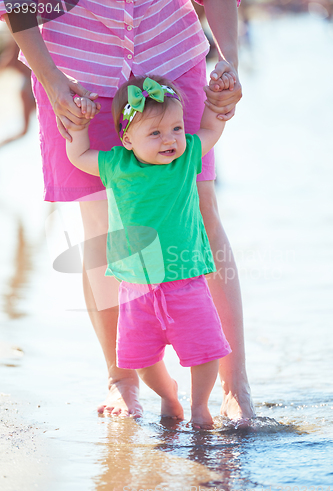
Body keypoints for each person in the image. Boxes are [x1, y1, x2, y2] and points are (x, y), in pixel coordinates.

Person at [2, 0, 255, 422]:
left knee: (201, 213)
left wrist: (229, 60)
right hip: (74, 74)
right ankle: (121, 380)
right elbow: (19, 2)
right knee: (101, 230)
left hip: (171, 55)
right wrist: (50, 79)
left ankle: (235, 384)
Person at [66, 75, 234, 427]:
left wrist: (219, 101)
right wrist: (79, 125)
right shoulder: (116, 165)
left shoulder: (185, 161)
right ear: (127, 139)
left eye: (175, 128)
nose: (170, 139)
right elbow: (78, 154)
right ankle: (168, 394)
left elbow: (211, 131)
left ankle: (201, 406)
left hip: (185, 280)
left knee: (204, 352)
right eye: (155, 133)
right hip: (135, 288)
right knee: (141, 360)